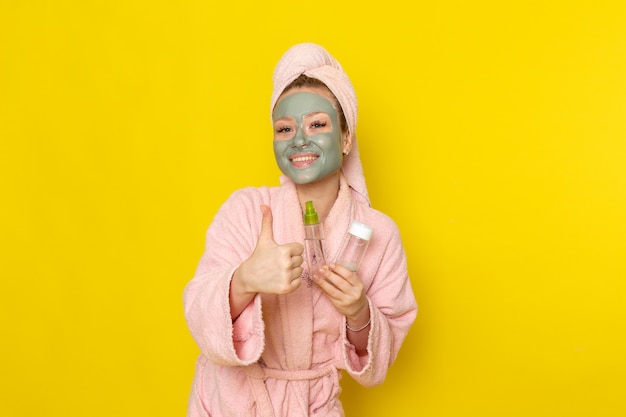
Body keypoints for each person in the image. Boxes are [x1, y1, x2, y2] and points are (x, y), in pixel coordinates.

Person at [183, 42, 417, 417]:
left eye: (317, 124)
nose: (299, 139)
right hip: (233, 402)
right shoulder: (247, 210)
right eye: (284, 128)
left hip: (314, 406)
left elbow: (380, 361)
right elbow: (197, 314)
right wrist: (244, 280)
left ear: (345, 138)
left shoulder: (378, 232)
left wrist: (360, 313)